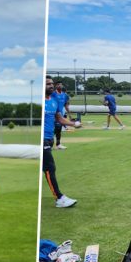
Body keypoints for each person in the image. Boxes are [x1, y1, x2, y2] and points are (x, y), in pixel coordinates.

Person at [43, 76, 81, 208]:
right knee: (49, 168)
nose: (51, 86)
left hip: (49, 138)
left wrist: (73, 124)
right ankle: (59, 198)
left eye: (52, 83)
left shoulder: (53, 101)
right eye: (48, 84)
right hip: (41, 139)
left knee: (47, 169)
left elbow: (59, 118)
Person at [53, 82, 71, 149]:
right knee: (52, 130)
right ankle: (47, 144)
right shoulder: (53, 94)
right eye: (58, 84)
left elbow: (66, 105)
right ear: (55, 86)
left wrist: (69, 115)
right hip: (52, 115)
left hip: (60, 115)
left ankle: (58, 144)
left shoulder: (64, 95)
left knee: (58, 130)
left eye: (61, 84)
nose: (60, 85)